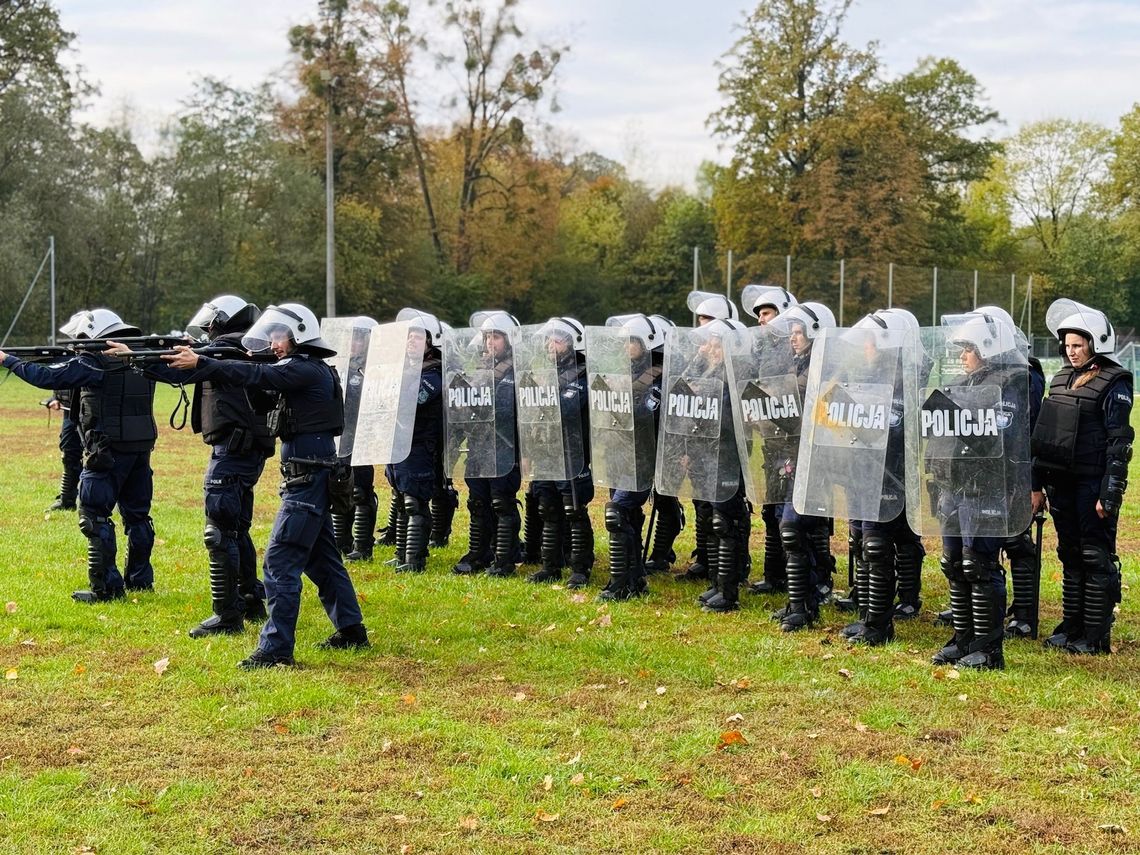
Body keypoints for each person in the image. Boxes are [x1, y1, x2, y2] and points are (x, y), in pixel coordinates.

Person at [158, 303, 368, 668]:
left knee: (280, 561)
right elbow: (256, 377)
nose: (273, 344)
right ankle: (351, 630)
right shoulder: (311, 369)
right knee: (322, 560)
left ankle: (276, 650)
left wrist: (203, 363)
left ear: (299, 334)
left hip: (307, 478)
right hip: (311, 475)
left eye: (278, 337)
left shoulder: (303, 369)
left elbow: (255, 376)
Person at [123, 296, 273, 637]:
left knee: (218, 532)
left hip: (233, 452)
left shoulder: (228, 351)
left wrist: (132, 357)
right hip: (244, 451)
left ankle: (227, 615)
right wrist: (140, 357)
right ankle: (249, 599)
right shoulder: (240, 349)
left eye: (211, 324)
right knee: (236, 529)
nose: (207, 330)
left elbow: (183, 369)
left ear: (223, 322)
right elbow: (184, 369)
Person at [1, 309, 157, 603]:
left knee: (94, 517)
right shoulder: (139, 358)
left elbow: (46, 375)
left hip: (106, 451)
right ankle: (140, 579)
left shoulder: (96, 362)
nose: (78, 345)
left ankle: (106, 588)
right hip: (140, 449)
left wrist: (8, 360)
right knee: (138, 518)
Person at [929, 313, 1030, 670]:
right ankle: (963, 638)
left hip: (987, 489)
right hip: (954, 487)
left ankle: (988, 649)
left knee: (980, 566)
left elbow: (1002, 437)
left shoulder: (1012, 383)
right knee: (954, 564)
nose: (962, 356)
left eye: (969, 349)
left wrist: (966, 427)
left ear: (987, 350)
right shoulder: (962, 383)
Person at [1032, 299, 1132, 655]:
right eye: (1068, 345)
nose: (1071, 352)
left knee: (1095, 555)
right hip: (1061, 483)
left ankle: (1094, 634)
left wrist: (1110, 493)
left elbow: (1119, 444)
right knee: (1069, 554)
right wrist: (1035, 485)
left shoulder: (1115, 382)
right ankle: (1071, 625)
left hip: (1093, 484)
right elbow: (1043, 438)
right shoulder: (1060, 379)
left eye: (1079, 345)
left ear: (1095, 343)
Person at [770, 302, 836, 631]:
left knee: (794, 528)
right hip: (791, 457)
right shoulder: (795, 364)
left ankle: (806, 604)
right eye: (791, 332)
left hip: (816, 459)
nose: (793, 338)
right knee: (793, 529)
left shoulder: (825, 367)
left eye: (799, 332)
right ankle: (800, 602)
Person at [595, 313, 667, 601]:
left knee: (617, 512)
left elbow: (647, 413)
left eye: (632, 342)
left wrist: (620, 398)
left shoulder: (658, 376)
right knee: (629, 519)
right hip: (617, 453)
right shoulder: (623, 374)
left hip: (642, 458)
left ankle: (620, 583)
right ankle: (636, 580)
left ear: (647, 344)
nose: (626, 347)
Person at [449, 310, 523, 578]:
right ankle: (480, 552)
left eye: (497, 337)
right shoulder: (481, 368)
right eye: (487, 337)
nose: (491, 343)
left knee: (501, 502)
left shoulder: (516, 371)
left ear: (509, 340)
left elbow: (508, 409)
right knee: (478, 502)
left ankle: (505, 557)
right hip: (478, 446)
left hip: (504, 446)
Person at [524, 317, 595, 588]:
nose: (550, 345)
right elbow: (530, 412)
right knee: (547, 509)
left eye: (557, 339)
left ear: (573, 343)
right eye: (548, 339)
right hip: (545, 450)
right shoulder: (544, 373)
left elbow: (566, 408)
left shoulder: (583, 373)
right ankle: (550, 566)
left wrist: (542, 394)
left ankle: (580, 569)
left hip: (571, 451)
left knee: (574, 511)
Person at [738, 282, 798, 597]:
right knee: (771, 511)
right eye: (759, 314)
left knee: (794, 518)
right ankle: (774, 576)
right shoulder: (763, 349)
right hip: (770, 441)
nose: (761, 319)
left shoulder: (793, 351)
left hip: (793, 442)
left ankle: (807, 578)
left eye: (767, 312)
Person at [677, 291, 740, 585]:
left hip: (724, 449)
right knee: (703, 507)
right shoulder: (703, 359)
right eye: (700, 321)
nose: (704, 329)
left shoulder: (734, 367)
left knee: (724, 512)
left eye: (709, 322)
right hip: (700, 444)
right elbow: (683, 391)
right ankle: (706, 560)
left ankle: (729, 571)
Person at [383, 308, 445, 573]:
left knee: (414, 501)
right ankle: (401, 553)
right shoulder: (398, 369)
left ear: (430, 343)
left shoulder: (434, 373)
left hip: (419, 445)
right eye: (408, 337)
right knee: (400, 497)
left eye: (418, 337)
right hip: (396, 442)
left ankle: (414, 560)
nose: (412, 342)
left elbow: (412, 401)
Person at [44, 388, 82, 512]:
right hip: (70, 412)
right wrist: (55, 397)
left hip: (95, 411)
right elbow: (61, 376)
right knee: (69, 454)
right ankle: (67, 501)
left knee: (101, 456)